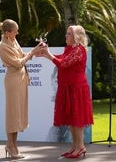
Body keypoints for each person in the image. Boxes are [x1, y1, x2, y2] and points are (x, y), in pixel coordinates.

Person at [40, 25, 94, 158]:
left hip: (76, 88)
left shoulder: (79, 50)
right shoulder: (70, 49)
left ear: (76, 37)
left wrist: (47, 54)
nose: (66, 36)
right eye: (67, 33)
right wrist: (46, 53)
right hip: (68, 87)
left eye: (69, 34)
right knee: (71, 118)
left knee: (77, 118)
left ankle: (80, 146)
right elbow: (60, 58)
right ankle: (75, 146)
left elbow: (63, 63)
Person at [0, 19, 41, 159]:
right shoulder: (3, 46)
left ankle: (13, 145)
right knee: (12, 114)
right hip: (13, 80)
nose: (17, 33)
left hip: (21, 79)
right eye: (15, 32)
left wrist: (36, 50)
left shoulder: (13, 41)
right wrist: (32, 53)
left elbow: (22, 55)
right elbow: (18, 63)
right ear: (7, 32)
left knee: (17, 114)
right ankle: (11, 145)